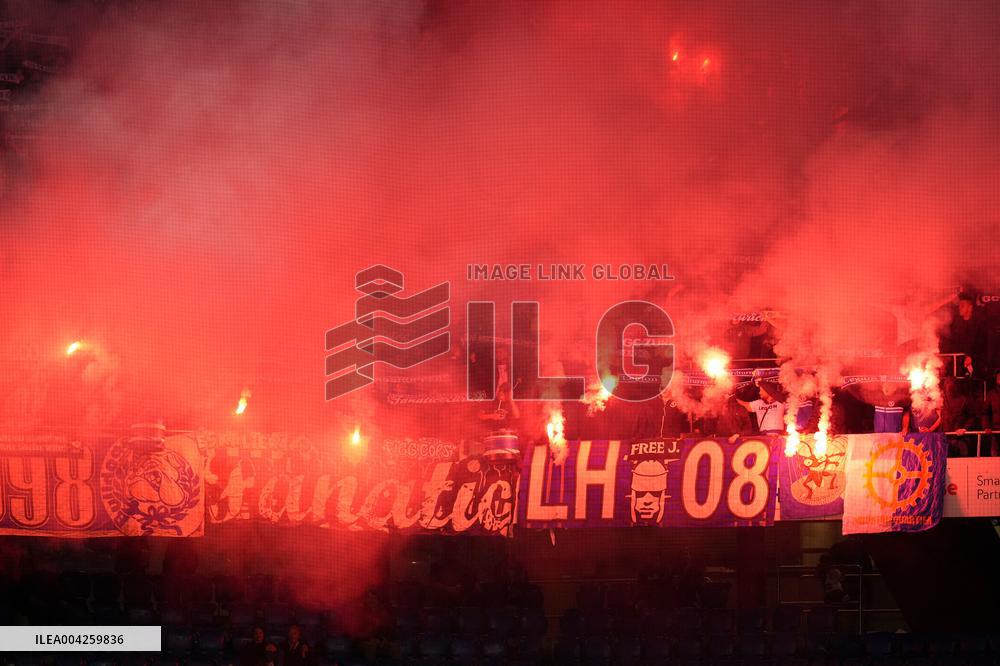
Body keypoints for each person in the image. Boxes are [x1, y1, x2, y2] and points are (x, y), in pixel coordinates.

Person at [941, 293, 988, 378]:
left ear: (970, 307)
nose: (960, 308)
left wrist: (971, 356)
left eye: (963, 305)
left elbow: (981, 344)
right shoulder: (956, 325)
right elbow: (951, 342)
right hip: (957, 363)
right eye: (959, 305)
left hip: (975, 365)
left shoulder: (978, 325)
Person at [983, 371, 1000, 456]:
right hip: (995, 432)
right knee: (995, 460)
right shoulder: (991, 394)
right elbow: (985, 412)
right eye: (999, 377)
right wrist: (987, 427)